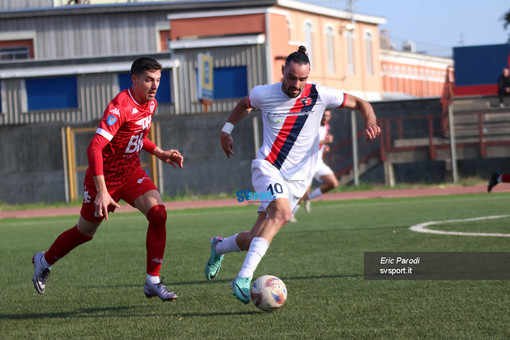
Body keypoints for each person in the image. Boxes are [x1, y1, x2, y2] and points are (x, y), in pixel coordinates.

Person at [205, 46, 380, 304]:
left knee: (256, 236)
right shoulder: (264, 93)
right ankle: (243, 277)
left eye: (302, 79)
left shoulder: (319, 94)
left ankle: (219, 246)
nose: (296, 84)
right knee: (283, 214)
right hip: (267, 168)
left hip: (298, 180)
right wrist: (226, 130)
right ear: (282, 71)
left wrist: (371, 123)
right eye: (291, 77)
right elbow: (245, 104)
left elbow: (362, 103)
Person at [32, 57, 184, 301]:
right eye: (148, 80)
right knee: (85, 233)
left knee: (159, 213)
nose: (154, 85)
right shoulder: (120, 106)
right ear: (134, 79)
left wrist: (160, 152)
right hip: (104, 179)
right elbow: (94, 147)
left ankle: (152, 281)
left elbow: (136, 134)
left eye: (157, 80)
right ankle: (44, 260)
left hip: (131, 171)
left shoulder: (151, 103)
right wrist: (103, 191)